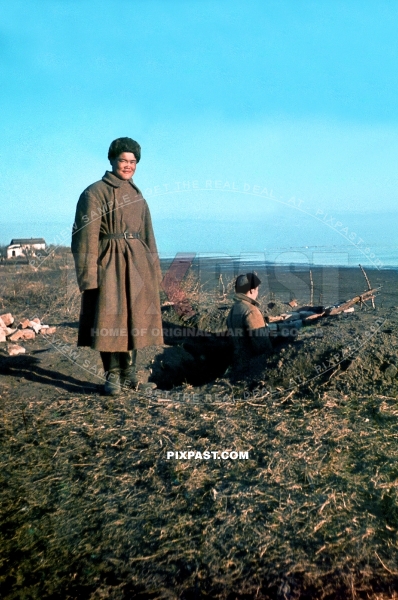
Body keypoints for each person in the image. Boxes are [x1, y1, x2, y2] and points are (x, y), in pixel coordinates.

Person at [72, 137, 163, 395]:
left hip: (137, 264)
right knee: (109, 317)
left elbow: (148, 235)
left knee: (134, 318)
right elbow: (84, 237)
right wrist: (89, 276)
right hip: (109, 262)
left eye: (133, 161)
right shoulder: (94, 192)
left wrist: (154, 272)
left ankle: (131, 376)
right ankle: (112, 376)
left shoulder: (137, 195)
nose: (128, 166)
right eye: (123, 160)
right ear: (112, 160)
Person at [226, 272, 272, 381]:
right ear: (251, 290)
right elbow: (262, 345)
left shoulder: (234, 309)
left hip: (238, 363)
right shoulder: (251, 310)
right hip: (251, 367)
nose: (257, 292)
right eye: (257, 289)